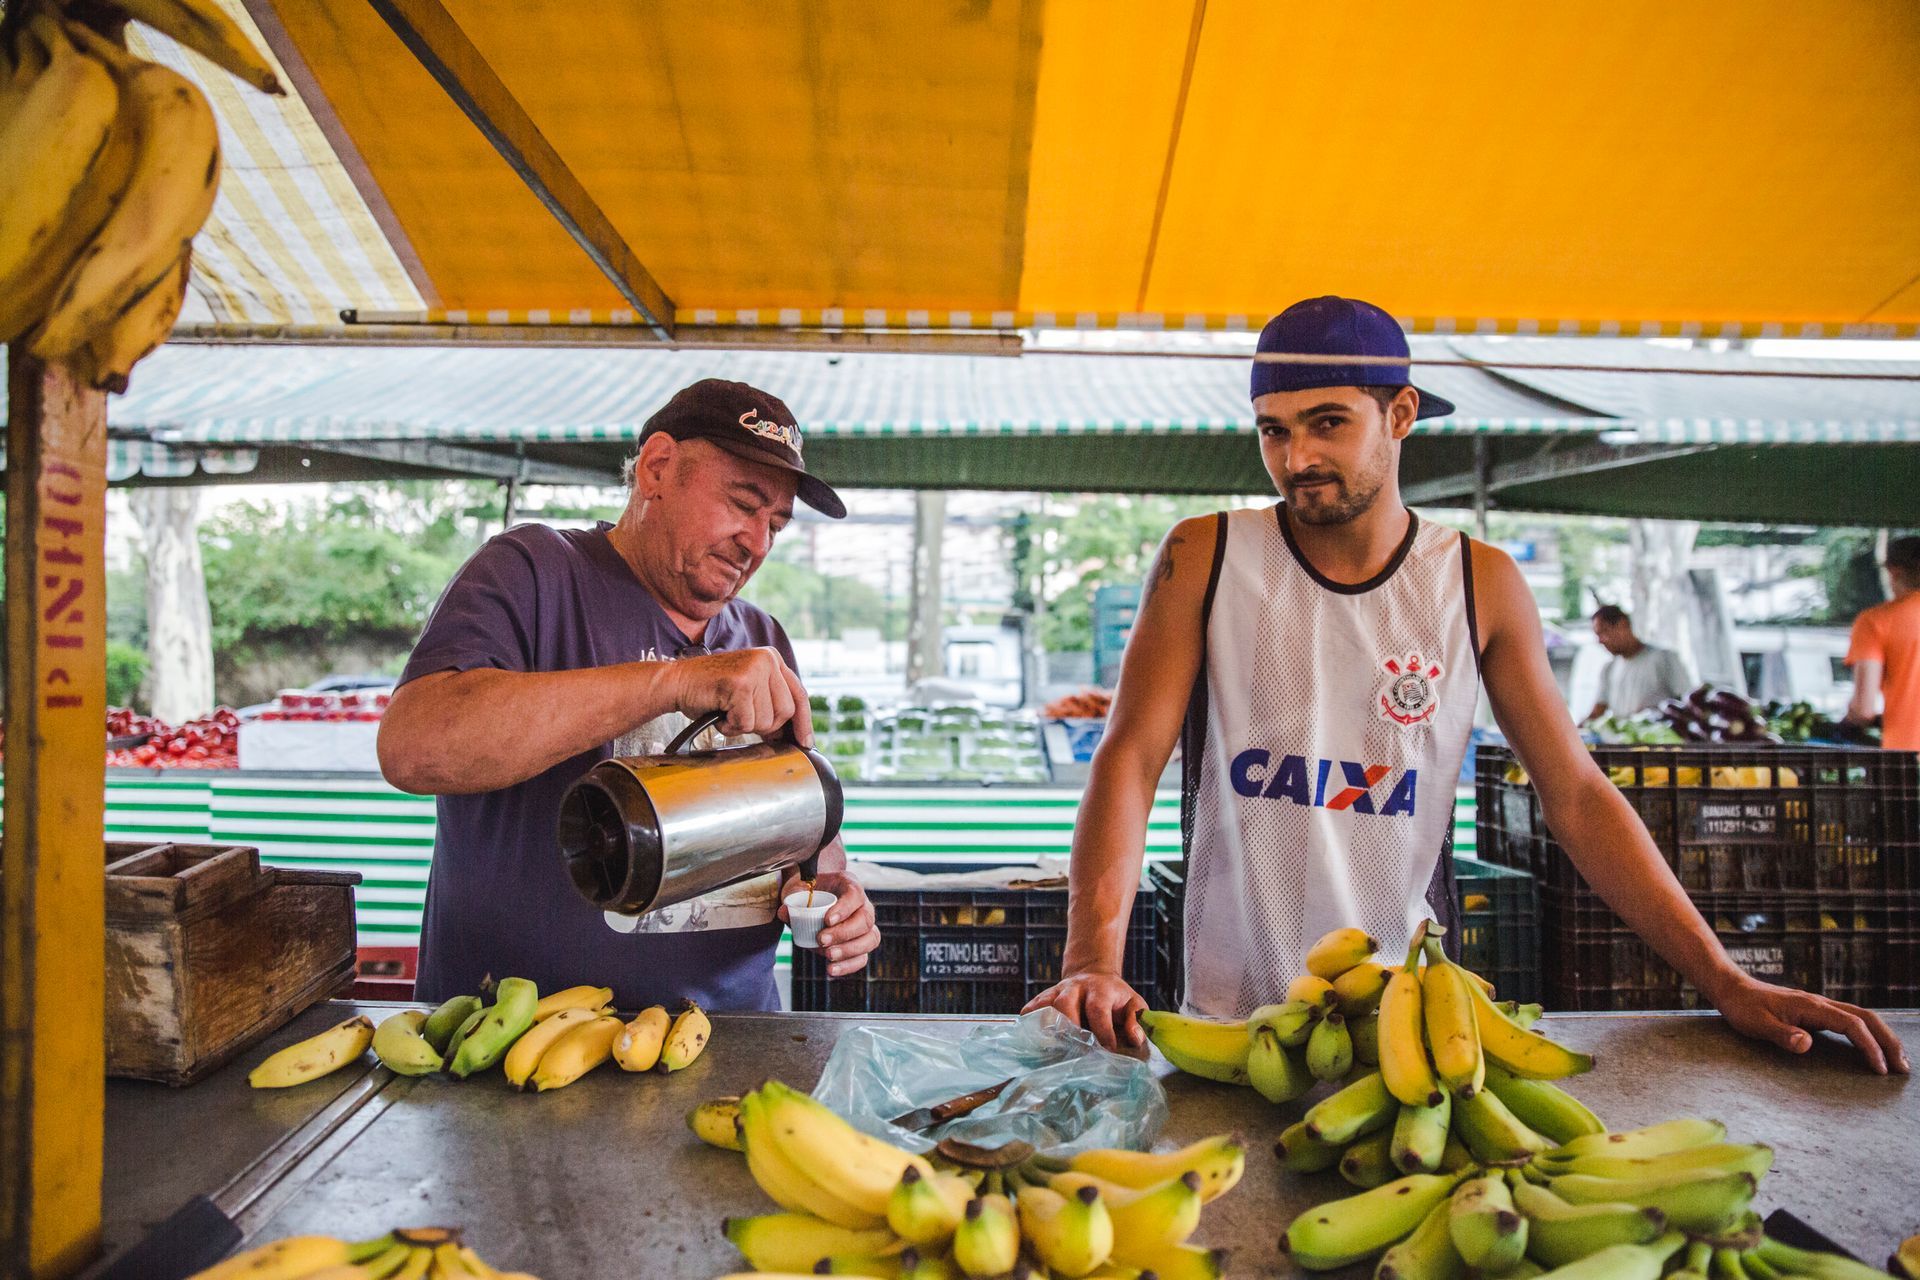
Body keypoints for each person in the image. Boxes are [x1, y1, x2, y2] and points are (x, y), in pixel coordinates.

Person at [1024, 296, 1907, 1075]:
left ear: (1400, 413)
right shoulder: (1205, 554)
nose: (1296, 457)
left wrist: (1723, 978)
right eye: (1274, 429)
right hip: (1226, 1014)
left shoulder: (1478, 581)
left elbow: (1575, 793)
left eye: (1327, 422)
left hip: (1409, 1017)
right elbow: (1130, 759)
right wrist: (1089, 958)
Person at [379, 378, 880, 1009]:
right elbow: (416, 748)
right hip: (518, 1045)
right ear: (657, 468)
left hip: (729, 1039)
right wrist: (673, 681)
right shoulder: (534, 573)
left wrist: (828, 886)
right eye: (741, 503)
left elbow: (802, 830)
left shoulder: (762, 637)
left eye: (775, 524)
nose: (757, 543)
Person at [1846, 535, 1920, 750]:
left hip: (1908, 761)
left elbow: (1863, 709)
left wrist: (1848, 721)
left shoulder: (1876, 621)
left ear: (1894, 572)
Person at [1583, 604, 1693, 723]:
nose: (1600, 641)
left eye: (1604, 632)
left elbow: (1687, 702)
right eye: (1597, 635)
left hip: (1660, 737)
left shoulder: (1663, 658)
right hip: (1623, 739)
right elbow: (1598, 711)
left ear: (1623, 625)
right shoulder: (1609, 669)